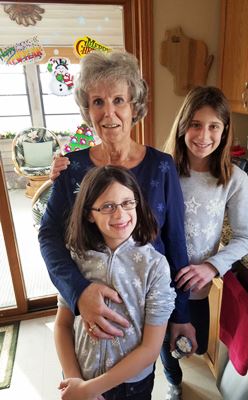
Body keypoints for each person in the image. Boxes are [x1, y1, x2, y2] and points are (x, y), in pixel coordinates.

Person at [39, 49, 197, 382]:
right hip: (90, 326)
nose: (108, 112)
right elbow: (49, 235)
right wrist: (78, 291)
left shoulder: (161, 166)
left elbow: (175, 241)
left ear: (134, 106)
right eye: (97, 102)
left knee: (140, 381)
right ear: (87, 109)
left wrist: (181, 312)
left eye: (118, 100)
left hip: (145, 312)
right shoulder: (72, 168)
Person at [161, 86, 248, 399]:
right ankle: (174, 382)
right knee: (162, 345)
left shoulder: (234, 179)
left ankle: (176, 367)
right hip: (158, 283)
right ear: (182, 126)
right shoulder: (163, 170)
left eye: (213, 126)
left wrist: (211, 267)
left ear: (225, 130)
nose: (204, 135)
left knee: (196, 343)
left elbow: (246, 235)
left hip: (197, 288)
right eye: (195, 124)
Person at [55, 165, 176, 400]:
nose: (120, 214)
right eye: (108, 206)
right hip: (80, 376)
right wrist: (77, 383)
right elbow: (62, 326)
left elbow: (151, 349)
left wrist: (92, 389)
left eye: (128, 203)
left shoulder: (155, 266)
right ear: (90, 213)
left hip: (130, 386)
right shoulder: (76, 258)